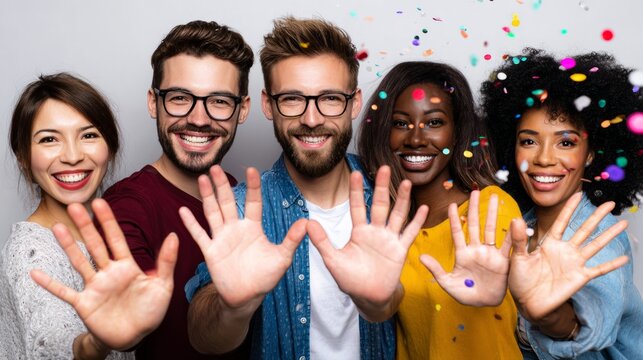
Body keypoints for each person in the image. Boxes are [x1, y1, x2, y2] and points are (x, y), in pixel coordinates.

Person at [183, 17, 427, 359]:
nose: (312, 119)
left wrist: (380, 302)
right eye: (293, 99)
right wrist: (232, 306)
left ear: (354, 103)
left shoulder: (393, 195)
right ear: (269, 105)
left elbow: (400, 307)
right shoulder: (241, 210)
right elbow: (204, 337)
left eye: (329, 98)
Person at [97, 20, 253, 359]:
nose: (198, 118)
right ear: (154, 103)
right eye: (180, 98)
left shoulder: (242, 198)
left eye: (219, 101)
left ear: (243, 110)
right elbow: (129, 327)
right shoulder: (125, 207)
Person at [0, 73, 176, 359]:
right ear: (23, 157)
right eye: (49, 139)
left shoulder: (107, 235)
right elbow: (51, 340)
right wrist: (94, 344)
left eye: (89, 135)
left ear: (111, 147)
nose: (72, 155)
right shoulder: (31, 253)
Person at [482, 48, 643, 359]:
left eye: (565, 142)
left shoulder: (600, 234)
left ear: (592, 152)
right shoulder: (517, 225)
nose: (543, 158)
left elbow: (593, 327)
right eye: (528, 141)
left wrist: (550, 317)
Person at [357, 61, 522, 359]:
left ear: (457, 133)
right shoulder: (388, 228)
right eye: (400, 123)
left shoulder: (490, 207)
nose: (416, 139)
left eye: (434, 122)